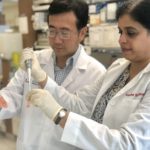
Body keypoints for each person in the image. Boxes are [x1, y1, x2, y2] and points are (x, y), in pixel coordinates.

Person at [21, 0, 150, 149]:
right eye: (120, 32)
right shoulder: (118, 68)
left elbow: (129, 143)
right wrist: (42, 77)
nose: (121, 40)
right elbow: (80, 104)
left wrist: (59, 115)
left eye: (131, 33)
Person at [0, 0, 106, 149]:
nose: (56, 39)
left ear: (82, 33)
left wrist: (42, 78)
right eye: (52, 30)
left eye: (64, 32)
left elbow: (89, 123)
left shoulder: (96, 74)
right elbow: (11, 95)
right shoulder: (34, 60)